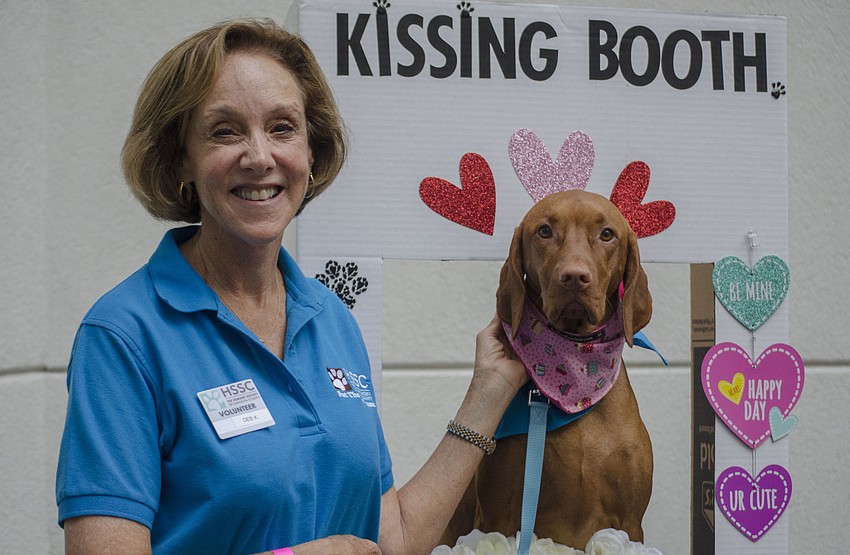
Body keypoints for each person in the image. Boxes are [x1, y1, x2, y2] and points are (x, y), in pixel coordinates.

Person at [55, 18, 527, 555]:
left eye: (282, 128)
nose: (260, 157)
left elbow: (389, 538)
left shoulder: (331, 317)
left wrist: (489, 390)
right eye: (225, 130)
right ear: (180, 157)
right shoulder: (123, 337)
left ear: (310, 148)